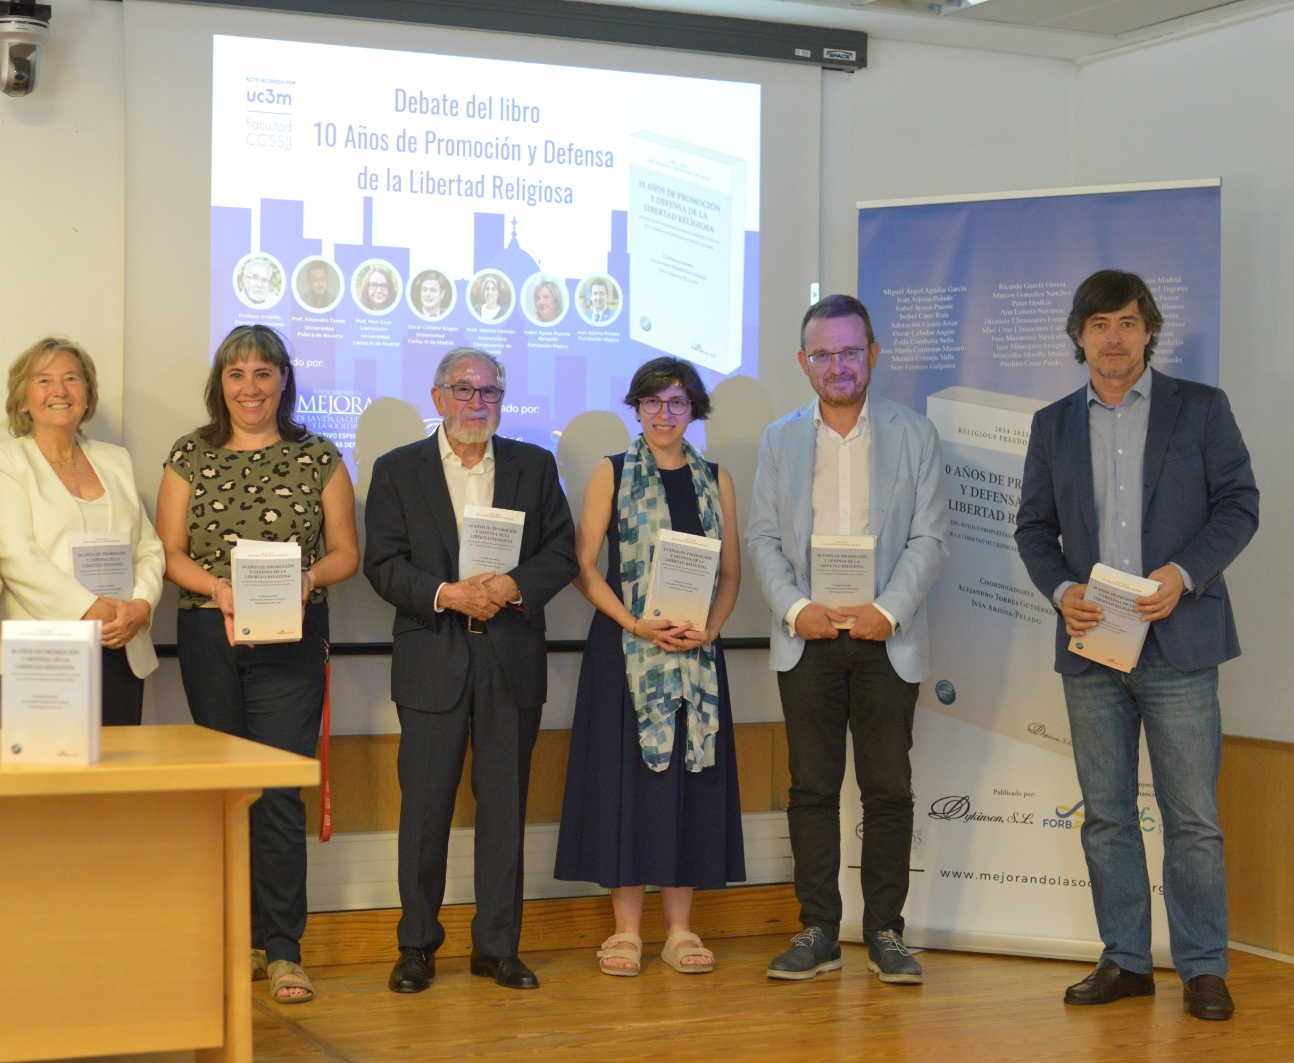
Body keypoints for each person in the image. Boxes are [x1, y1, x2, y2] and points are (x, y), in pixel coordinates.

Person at [1014, 270, 1258, 1021]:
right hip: (1093, 648)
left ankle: (1202, 967)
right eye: (1097, 325)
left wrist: (1183, 575)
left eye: (1125, 322)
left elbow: (1240, 505)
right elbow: (1031, 528)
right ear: (1078, 337)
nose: (1112, 337)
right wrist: (1063, 592)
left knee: (1191, 818)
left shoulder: (1201, 408)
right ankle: (1125, 959)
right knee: (1109, 815)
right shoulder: (1053, 423)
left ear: (1148, 329)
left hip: (1179, 643)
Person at [745, 294, 948, 985]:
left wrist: (886, 611)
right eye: (823, 353)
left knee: (888, 788)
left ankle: (886, 930)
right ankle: (819, 929)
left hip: (884, 637)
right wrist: (795, 606)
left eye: (850, 351)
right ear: (805, 363)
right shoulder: (778, 440)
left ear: (873, 355)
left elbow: (930, 537)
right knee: (812, 788)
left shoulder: (915, 435)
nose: (838, 365)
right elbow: (764, 538)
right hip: (808, 638)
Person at [156, 324, 359, 1004]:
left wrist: (305, 580)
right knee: (224, 790)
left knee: (276, 791)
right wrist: (216, 588)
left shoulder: (318, 455)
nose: (250, 386)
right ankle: (228, 939)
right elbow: (170, 551)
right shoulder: (189, 453)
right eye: (237, 373)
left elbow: (345, 552)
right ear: (221, 383)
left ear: (283, 381)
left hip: (292, 638)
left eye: (263, 373)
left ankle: (281, 949)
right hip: (211, 633)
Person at [364, 346, 577, 994]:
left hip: (509, 657)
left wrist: (510, 583)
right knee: (424, 812)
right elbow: (382, 563)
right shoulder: (398, 470)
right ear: (438, 397)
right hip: (435, 655)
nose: (477, 403)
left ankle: (497, 947)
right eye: (464, 390)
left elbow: (561, 551)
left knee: (505, 810)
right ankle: (417, 946)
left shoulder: (534, 466)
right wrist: (449, 593)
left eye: (490, 392)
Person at [554, 356, 745, 977]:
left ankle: (681, 930)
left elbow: (732, 574)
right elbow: (584, 570)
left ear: (694, 411)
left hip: (695, 658)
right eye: (653, 402)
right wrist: (637, 624)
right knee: (627, 788)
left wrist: (709, 631)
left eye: (679, 402)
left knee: (688, 786)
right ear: (635, 408)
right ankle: (627, 932)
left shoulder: (718, 479)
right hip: (625, 652)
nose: (665, 414)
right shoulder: (610, 474)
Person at [0, 337, 164, 726]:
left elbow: (148, 548)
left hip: (120, 645)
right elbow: (16, 556)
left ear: (87, 394)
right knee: (43, 785)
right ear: (23, 399)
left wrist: (140, 606)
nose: (60, 391)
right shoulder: (4, 461)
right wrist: (91, 610)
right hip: (40, 655)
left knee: (112, 782)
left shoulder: (116, 460)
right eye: (44, 380)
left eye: (71, 379)